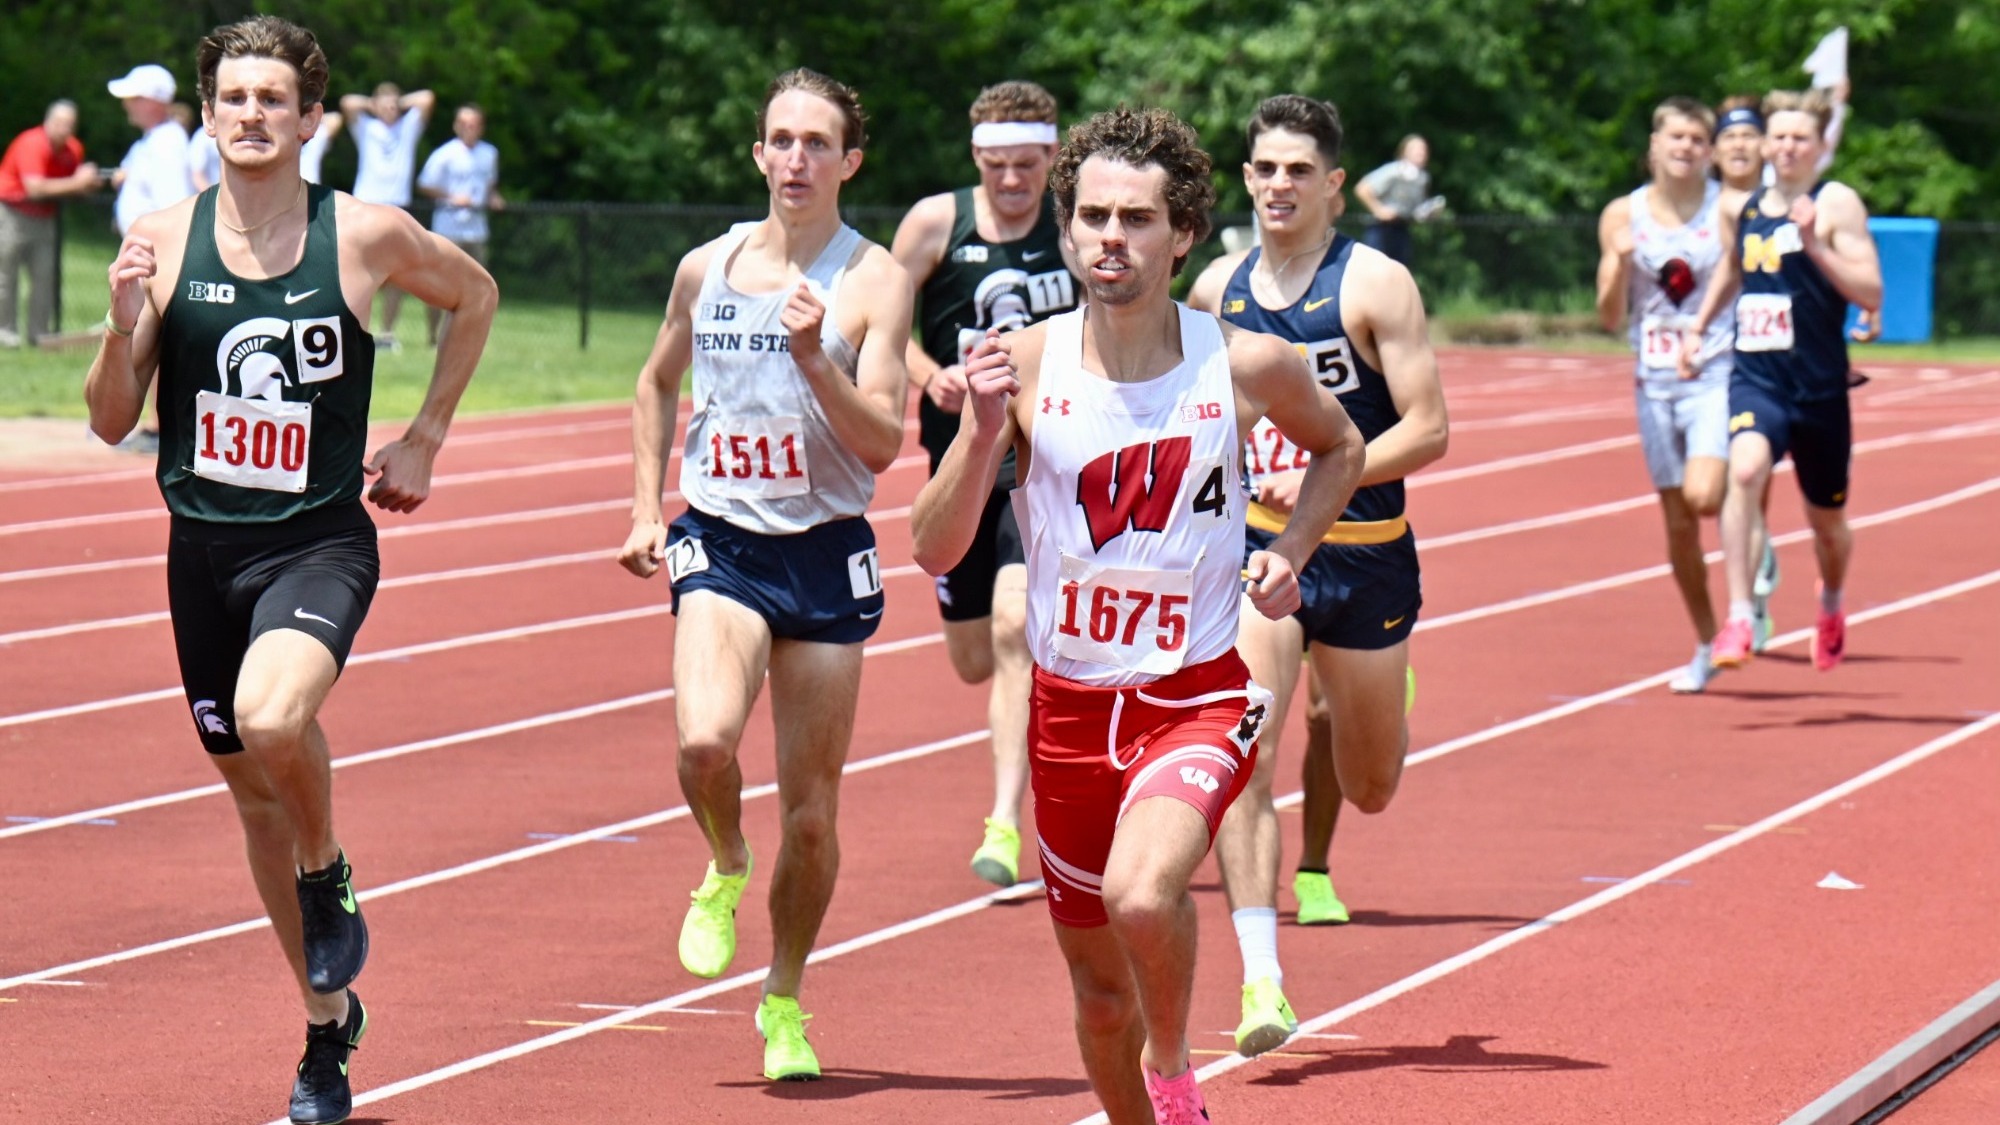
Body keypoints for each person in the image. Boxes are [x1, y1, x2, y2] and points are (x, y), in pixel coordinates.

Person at [912, 106, 1365, 1124]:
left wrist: (1287, 553)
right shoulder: (1024, 365)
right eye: (1092, 217)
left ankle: (1175, 1064)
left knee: (1142, 897)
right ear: (1066, 230)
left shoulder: (1242, 364)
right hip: (1068, 716)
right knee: (1098, 995)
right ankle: (1148, 1094)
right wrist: (982, 437)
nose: (1109, 237)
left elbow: (1340, 447)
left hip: (1193, 695)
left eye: (1136, 218)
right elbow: (932, 547)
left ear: (1183, 232)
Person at [81, 17, 496, 1124]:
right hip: (200, 551)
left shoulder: (360, 235)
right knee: (251, 799)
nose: (252, 115)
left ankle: (328, 873)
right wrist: (124, 329)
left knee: (276, 721)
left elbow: (477, 297)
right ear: (208, 114)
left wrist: (423, 437)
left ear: (311, 119)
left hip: (314, 540)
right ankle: (327, 1033)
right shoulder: (162, 235)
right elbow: (112, 420)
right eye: (233, 98)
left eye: (274, 99)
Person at [617, 68, 912, 1084]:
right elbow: (655, 381)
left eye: (816, 143)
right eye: (780, 141)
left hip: (825, 553)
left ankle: (783, 996)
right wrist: (639, 507)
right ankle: (725, 862)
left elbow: (882, 443)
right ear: (757, 155)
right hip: (722, 539)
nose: (795, 159)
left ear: (848, 161)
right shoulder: (706, 266)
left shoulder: (871, 279)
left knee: (814, 812)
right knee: (704, 743)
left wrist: (813, 358)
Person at [1188, 93, 1447, 1055]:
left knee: (1370, 783)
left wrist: (1330, 469)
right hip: (1262, 556)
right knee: (1243, 743)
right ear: (1246, 178)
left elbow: (1429, 427)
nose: (1280, 184)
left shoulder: (1376, 284)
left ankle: (1382, 692)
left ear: (1335, 184)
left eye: (1300, 169)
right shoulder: (1218, 288)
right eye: (1265, 169)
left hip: (1369, 558)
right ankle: (1263, 981)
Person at [889, 79, 1078, 888]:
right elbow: (884, 330)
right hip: (960, 460)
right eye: (998, 165)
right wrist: (929, 376)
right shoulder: (936, 223)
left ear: (1052, 159)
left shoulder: (1075, 231)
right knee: (976, 653)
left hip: (1039, 461)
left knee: (1013, 628)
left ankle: (1004, 820)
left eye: (1029, 165)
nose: (1013, 181)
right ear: (977, 157)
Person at [1685, 88, 1881, 673]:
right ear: (1766, 143)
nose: (1788, 147)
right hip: (1757, 377)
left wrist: (1817, 245)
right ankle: (1741, 615)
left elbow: (1870, 292)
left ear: (1821, 145)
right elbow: (1732, 265)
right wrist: (1698, 328)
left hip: (1819, 388)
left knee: (1828, 526)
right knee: (1743, 470)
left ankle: (1831, 600)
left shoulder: (1835, 202)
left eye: (1802, 138)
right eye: (1781, 136)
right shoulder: (1744, 207)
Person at [1594, 98, 1734, 694]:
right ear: (1653, 145)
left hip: (1715, 370)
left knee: (1706, 496)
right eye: (1675, 136)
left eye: (1697, 138)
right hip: (1652, 379)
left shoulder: (1726, 208)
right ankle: (1707, 640)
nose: (1685, 147)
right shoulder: (1622, 215)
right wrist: (1620, 264)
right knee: (1679, 525)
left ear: (1710, 150)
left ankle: (1749, 532)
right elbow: (1606, 316)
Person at [340, 81, 434, 350]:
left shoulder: (408, 128)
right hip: (366, 205)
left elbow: (427, 98)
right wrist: (374, 104)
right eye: (385, 103)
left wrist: (399, 102)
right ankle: (356, 329)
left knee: (396, 275)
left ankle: (387, 333)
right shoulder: (367, 128)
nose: (390, 108)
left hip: (397, 207)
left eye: (393, 104)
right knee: (359, 271)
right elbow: (347, 101)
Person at [0, 101, 99, 347]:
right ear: (48, 121)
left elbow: (73, 187)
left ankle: (39, 335)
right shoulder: (31, 143)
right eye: (59, 123)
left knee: (44, 277)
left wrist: (89, 184)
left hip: (45, 217)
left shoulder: (73, 149)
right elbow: (35, 188)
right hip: (13, 215)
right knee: (5, 276)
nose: (64, 129)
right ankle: (5, 333)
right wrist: (78, 182)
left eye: (69, 125)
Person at [418, 104, 503, 346]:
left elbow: (489, 186)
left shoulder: (489, 154)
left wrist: (494, 198)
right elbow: (425, 184)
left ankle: (469, 338)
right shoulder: (444, 154)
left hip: (476, 230)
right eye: (464, 123)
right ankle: (433, 336)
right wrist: (451, 198)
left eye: (473, 124)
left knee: (479, 285)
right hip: (448, 228)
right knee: (439, 285)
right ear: (456, 126)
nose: (469, 128)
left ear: (481, 127)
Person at [107, 64, 195, 237]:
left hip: (155, 256)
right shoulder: (153, 140)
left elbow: (173, 212)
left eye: (133, 98)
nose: (125, 104)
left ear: (154, 102)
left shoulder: (167, 143)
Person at [1354, 135, 1438, 266]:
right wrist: (1379, 209)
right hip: (1381, 230)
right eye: (1417, 149)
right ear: (1406, 152)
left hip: (1402, 229)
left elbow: (1416, 208)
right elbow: (1362, 188)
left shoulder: (1422, 179)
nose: (1421, 153)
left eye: (1423, 150)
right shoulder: (1393, 171)